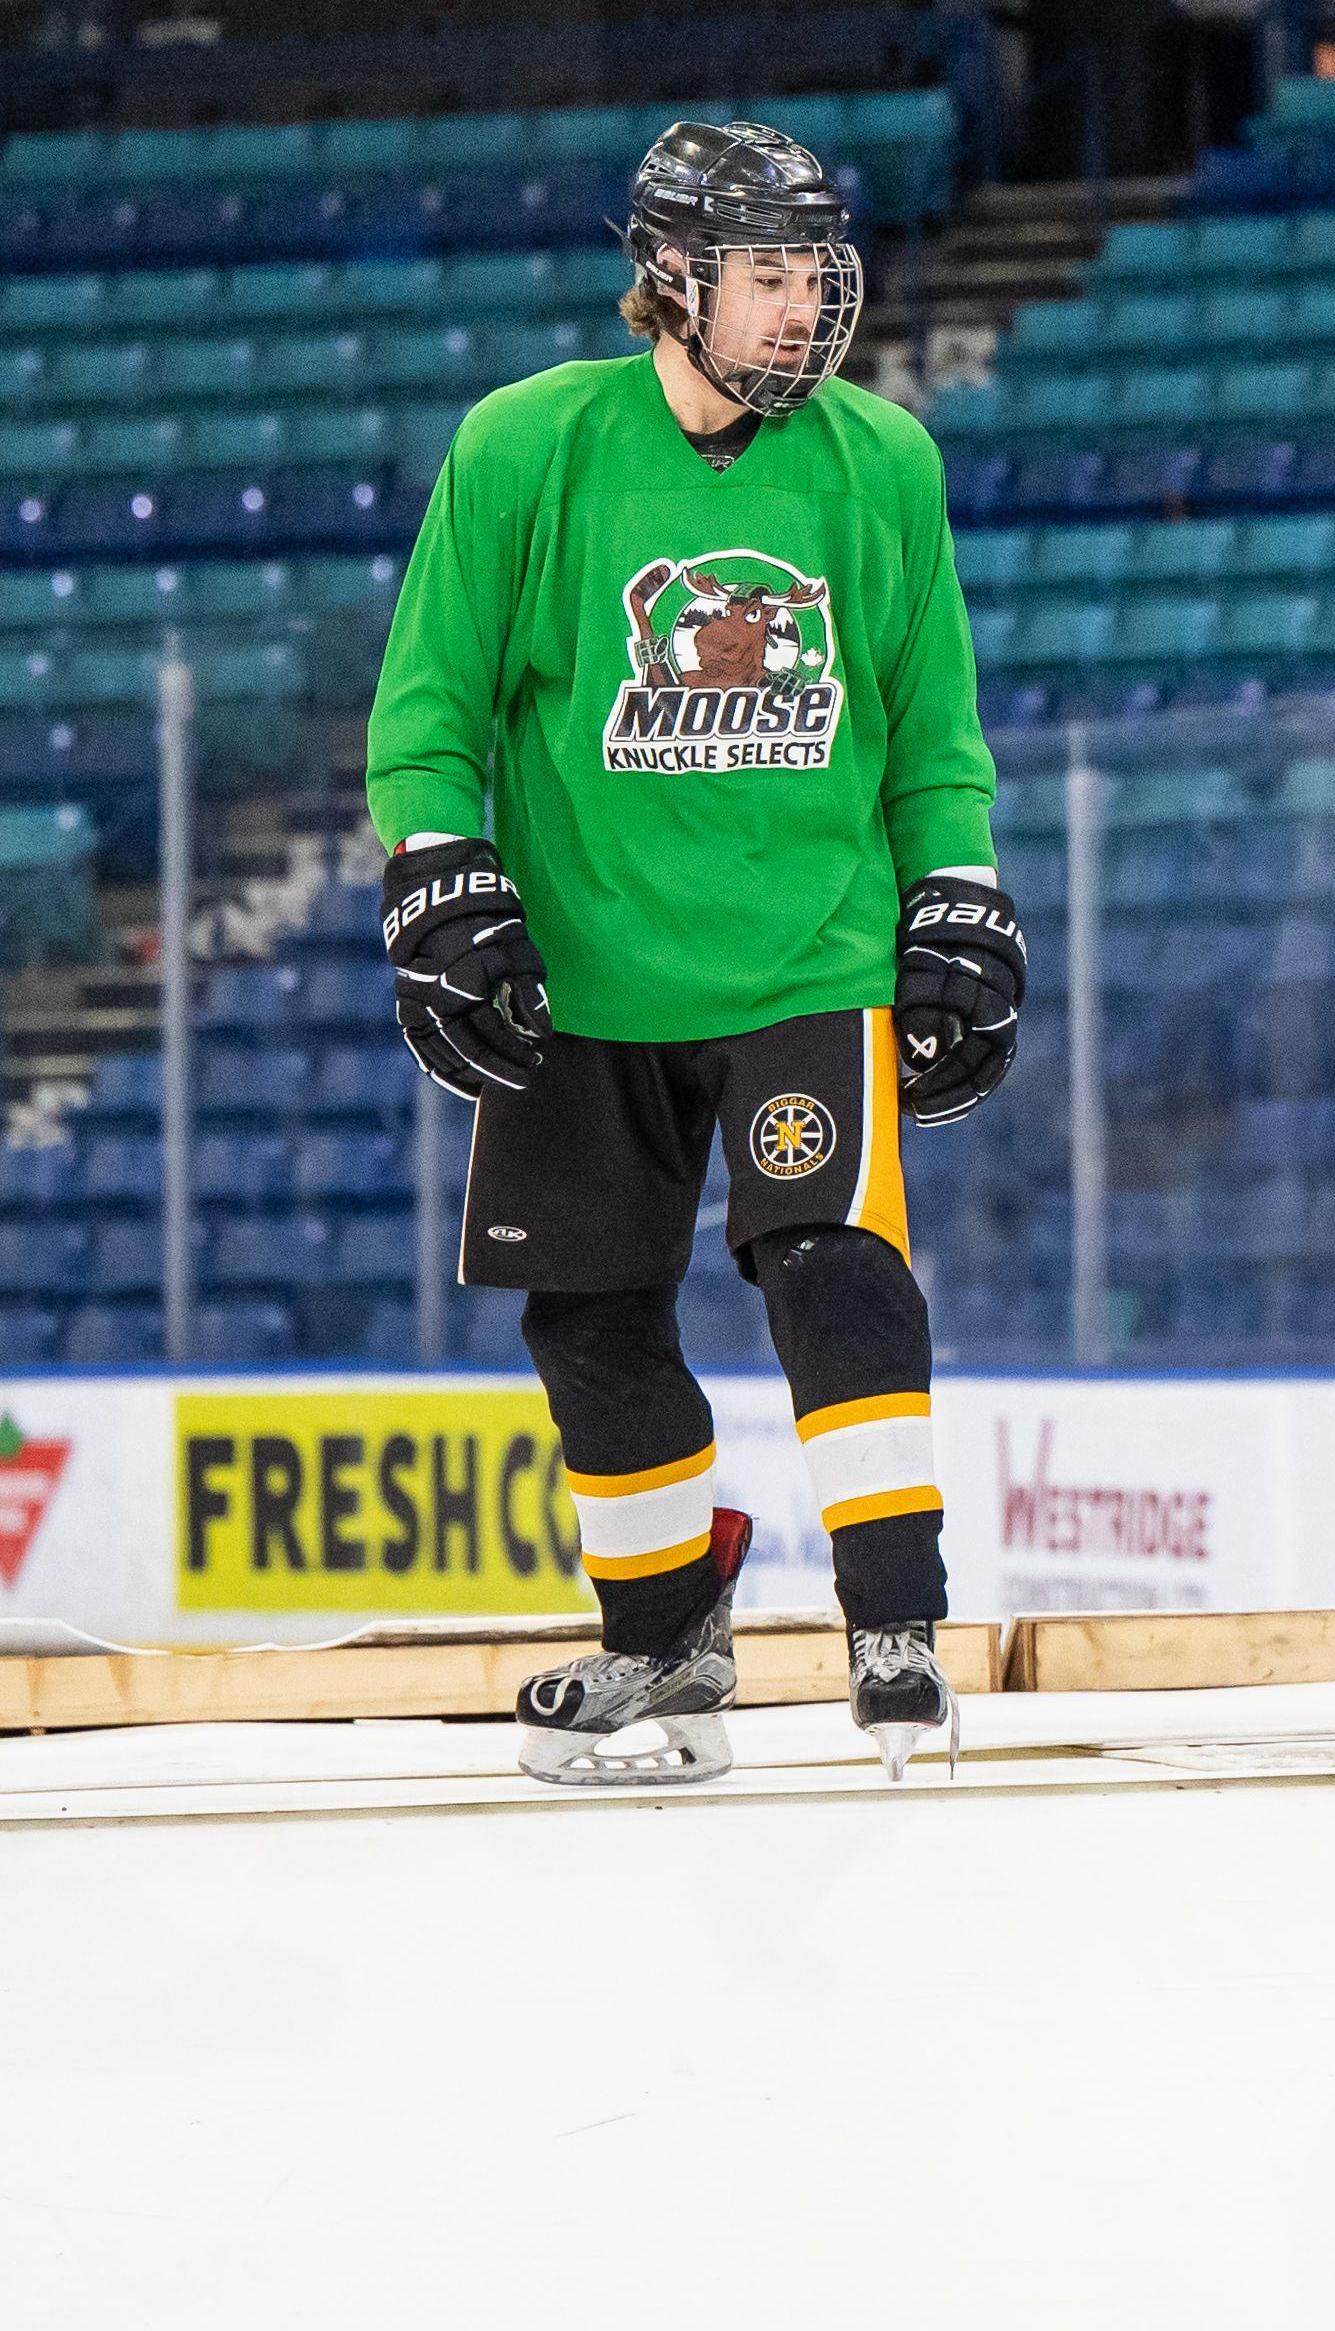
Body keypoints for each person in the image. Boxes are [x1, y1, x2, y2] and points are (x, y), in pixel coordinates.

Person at [366, 121, 1023, 1786]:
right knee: (587, 1319)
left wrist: (957, 890)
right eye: (769, 273)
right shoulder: (529, 447)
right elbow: (429, 708)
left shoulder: (883, 462)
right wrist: (439, 877)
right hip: (584, 976)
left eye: (817, 270)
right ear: (672, 278)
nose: (806, 305)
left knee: (835, 1267)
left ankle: (893, 1628)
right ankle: (664, 1645)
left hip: (809, 958)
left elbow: (931, 731)